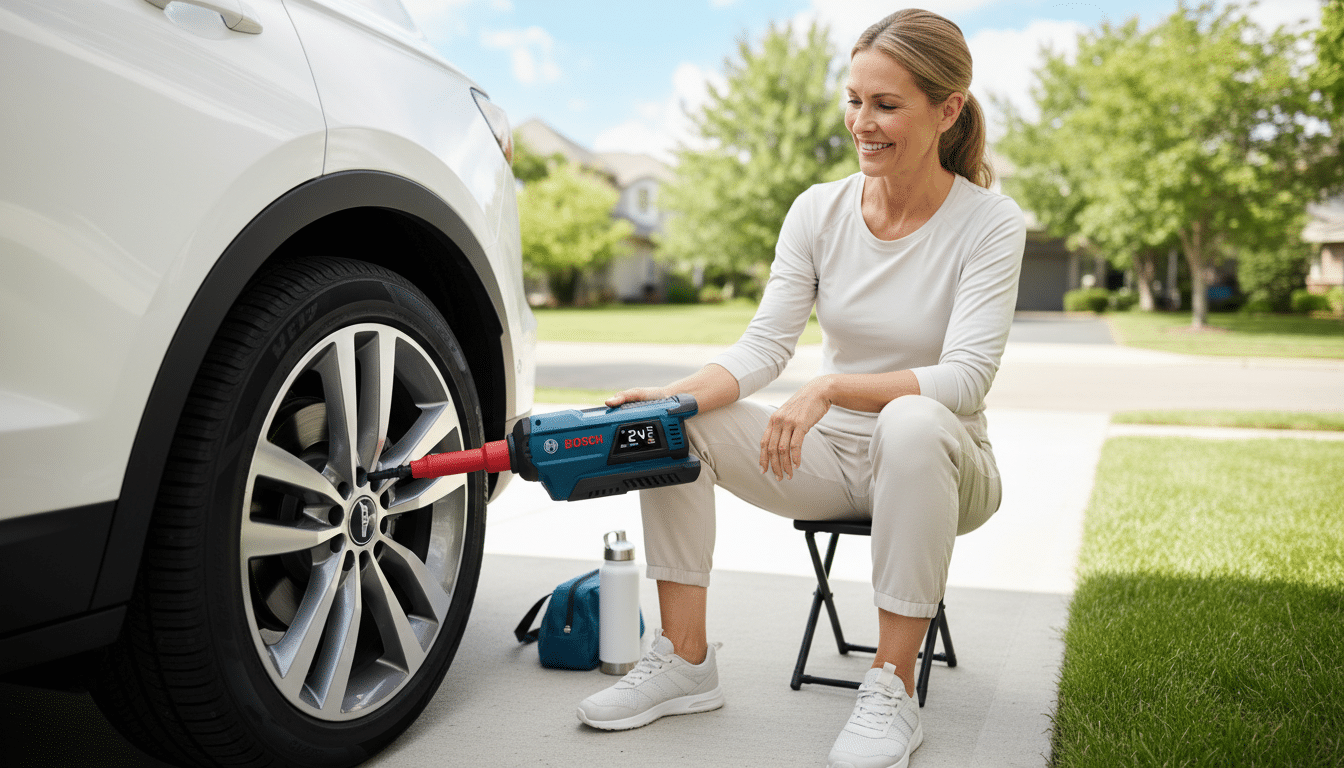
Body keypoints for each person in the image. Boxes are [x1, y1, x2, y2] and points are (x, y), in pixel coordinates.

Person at [575, 8, 1025, 768]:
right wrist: (672, 396)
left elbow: (965, 377)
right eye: (854, 100)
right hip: (829, 464)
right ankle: (684, 660)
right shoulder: (818, 210)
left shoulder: (990, 222)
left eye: (887, 105)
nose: (863, 123)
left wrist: (831, 389)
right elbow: (763, 346)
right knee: (675, 427)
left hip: (945, 465)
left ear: (948, 111)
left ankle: (891, 688)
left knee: (912, 422)